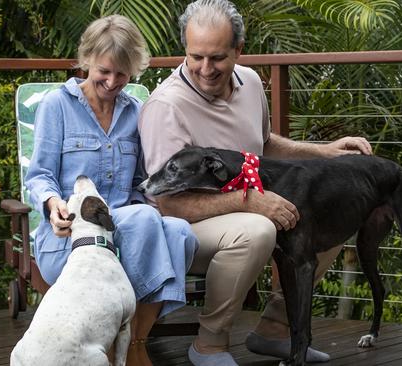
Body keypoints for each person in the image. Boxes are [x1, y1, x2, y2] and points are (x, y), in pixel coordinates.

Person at [138, 1, 373, 364]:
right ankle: (209, 345)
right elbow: (171, 203)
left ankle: (274, 331)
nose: (204, 69)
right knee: (259, 227)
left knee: (331, 211)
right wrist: (250, 202)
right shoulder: (166, 107)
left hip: (243, 210)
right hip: (182, 229)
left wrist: (322, 152)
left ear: (238, 50)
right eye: (194, 56)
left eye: (216, 57)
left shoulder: (248, 81)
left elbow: (262, 144)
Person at [24, 15, 198, 366]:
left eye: (123, 74)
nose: (113, 81)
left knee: (181, 233)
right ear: (87, 59)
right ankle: (131, 348)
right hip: (72, 238)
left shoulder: (136, 112)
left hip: (124, 232)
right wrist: (53, 203)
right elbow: (39, 175)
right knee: (146, 221)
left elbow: (139, 183)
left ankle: (136, 341)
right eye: (105, 70)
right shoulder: (57, 106)